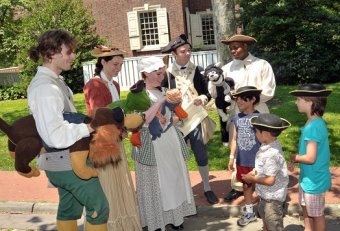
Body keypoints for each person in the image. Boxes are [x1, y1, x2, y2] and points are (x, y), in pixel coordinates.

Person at [27, 29, 108, 231]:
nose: (73, 56)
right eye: (69, 51)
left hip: (64, 161)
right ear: (52, 54)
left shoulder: (55, 83)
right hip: (66, 162)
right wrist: (89, 127)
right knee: (99, 208)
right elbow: (54, 136)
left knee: (69, 209)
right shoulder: (46, 88)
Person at [126, 56, 196, 231]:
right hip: (151, 144)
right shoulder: (137, 95)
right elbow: (139, 122)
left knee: (174, 179)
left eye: (162, 73)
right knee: (155, 183)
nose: (161, 77)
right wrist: (160, 103)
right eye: (157, 74)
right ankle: (155, 221)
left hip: (169, 141)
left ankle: (175, 217)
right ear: (146, 74)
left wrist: (174, 117)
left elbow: (177, 117)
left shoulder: (164, 90)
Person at [83, 45, 142, 230]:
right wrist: (120, 126)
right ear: (103, 62)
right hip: (102, 142)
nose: (118, 68)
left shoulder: (114, 84)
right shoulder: (94, 84)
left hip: (116, 138)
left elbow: (117, 113)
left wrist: (122, 126)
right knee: (109, 185)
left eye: (121, 65)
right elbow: (96, 115)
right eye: (115, 64)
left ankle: (125, 224)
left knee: (120, 183)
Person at [161, 34, 218, 204]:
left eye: (189, 50)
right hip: (176, 120)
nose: (187, 53)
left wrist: (202, 99)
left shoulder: (198, 70)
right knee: (177, 156)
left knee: (200, 152)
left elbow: (206, 93)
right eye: (183, 51)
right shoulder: (166, 74)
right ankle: (182, 191)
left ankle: (207, 187)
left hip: (195, 117)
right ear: (174, 54)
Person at [221, 34, 276, 202]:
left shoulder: (262, 65)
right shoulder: (227, 68)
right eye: (230, 47)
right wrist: (229, 97)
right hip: (237, 114)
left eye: (236, 46)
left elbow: (269, 90)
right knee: (239, 148)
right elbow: (221, 92)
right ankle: (239, 185)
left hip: (259, 113)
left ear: (246, 46)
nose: (233, 50)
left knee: (261, 148)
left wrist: (251, 100)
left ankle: (262, 183)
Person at [289, 83, 332, 231]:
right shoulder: (312, 122)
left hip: (314, 181)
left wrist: (295, 157)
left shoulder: (314, 126)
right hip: (308, 179)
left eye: (299, 99)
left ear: (310, 101)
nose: (296, 102)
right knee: (307, 212)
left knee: (316, 215)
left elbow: (310, 158)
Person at [242, 113, 290, 231]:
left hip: (273, 198)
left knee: (274, 225)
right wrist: (254, 172)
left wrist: (252, 179)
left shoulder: (271, 154)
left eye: (257, 131)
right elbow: (264, 167)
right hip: (265, 195)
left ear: (266, 134)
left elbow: (270, 180)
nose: (255, 133)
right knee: (266, 221)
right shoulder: (268, 145)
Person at [227, 86, 261, 226]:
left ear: (252, 99)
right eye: (237, 98)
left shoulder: (259, 118)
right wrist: (231, 157)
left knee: (261, 187)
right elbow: (235, 138)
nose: (238, 101)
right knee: (246, 186)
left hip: (258, 160)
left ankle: (264, 210)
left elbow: (264, 140)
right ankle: (249, 212)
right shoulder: (237, 117)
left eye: (242, 98)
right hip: (242, 160)